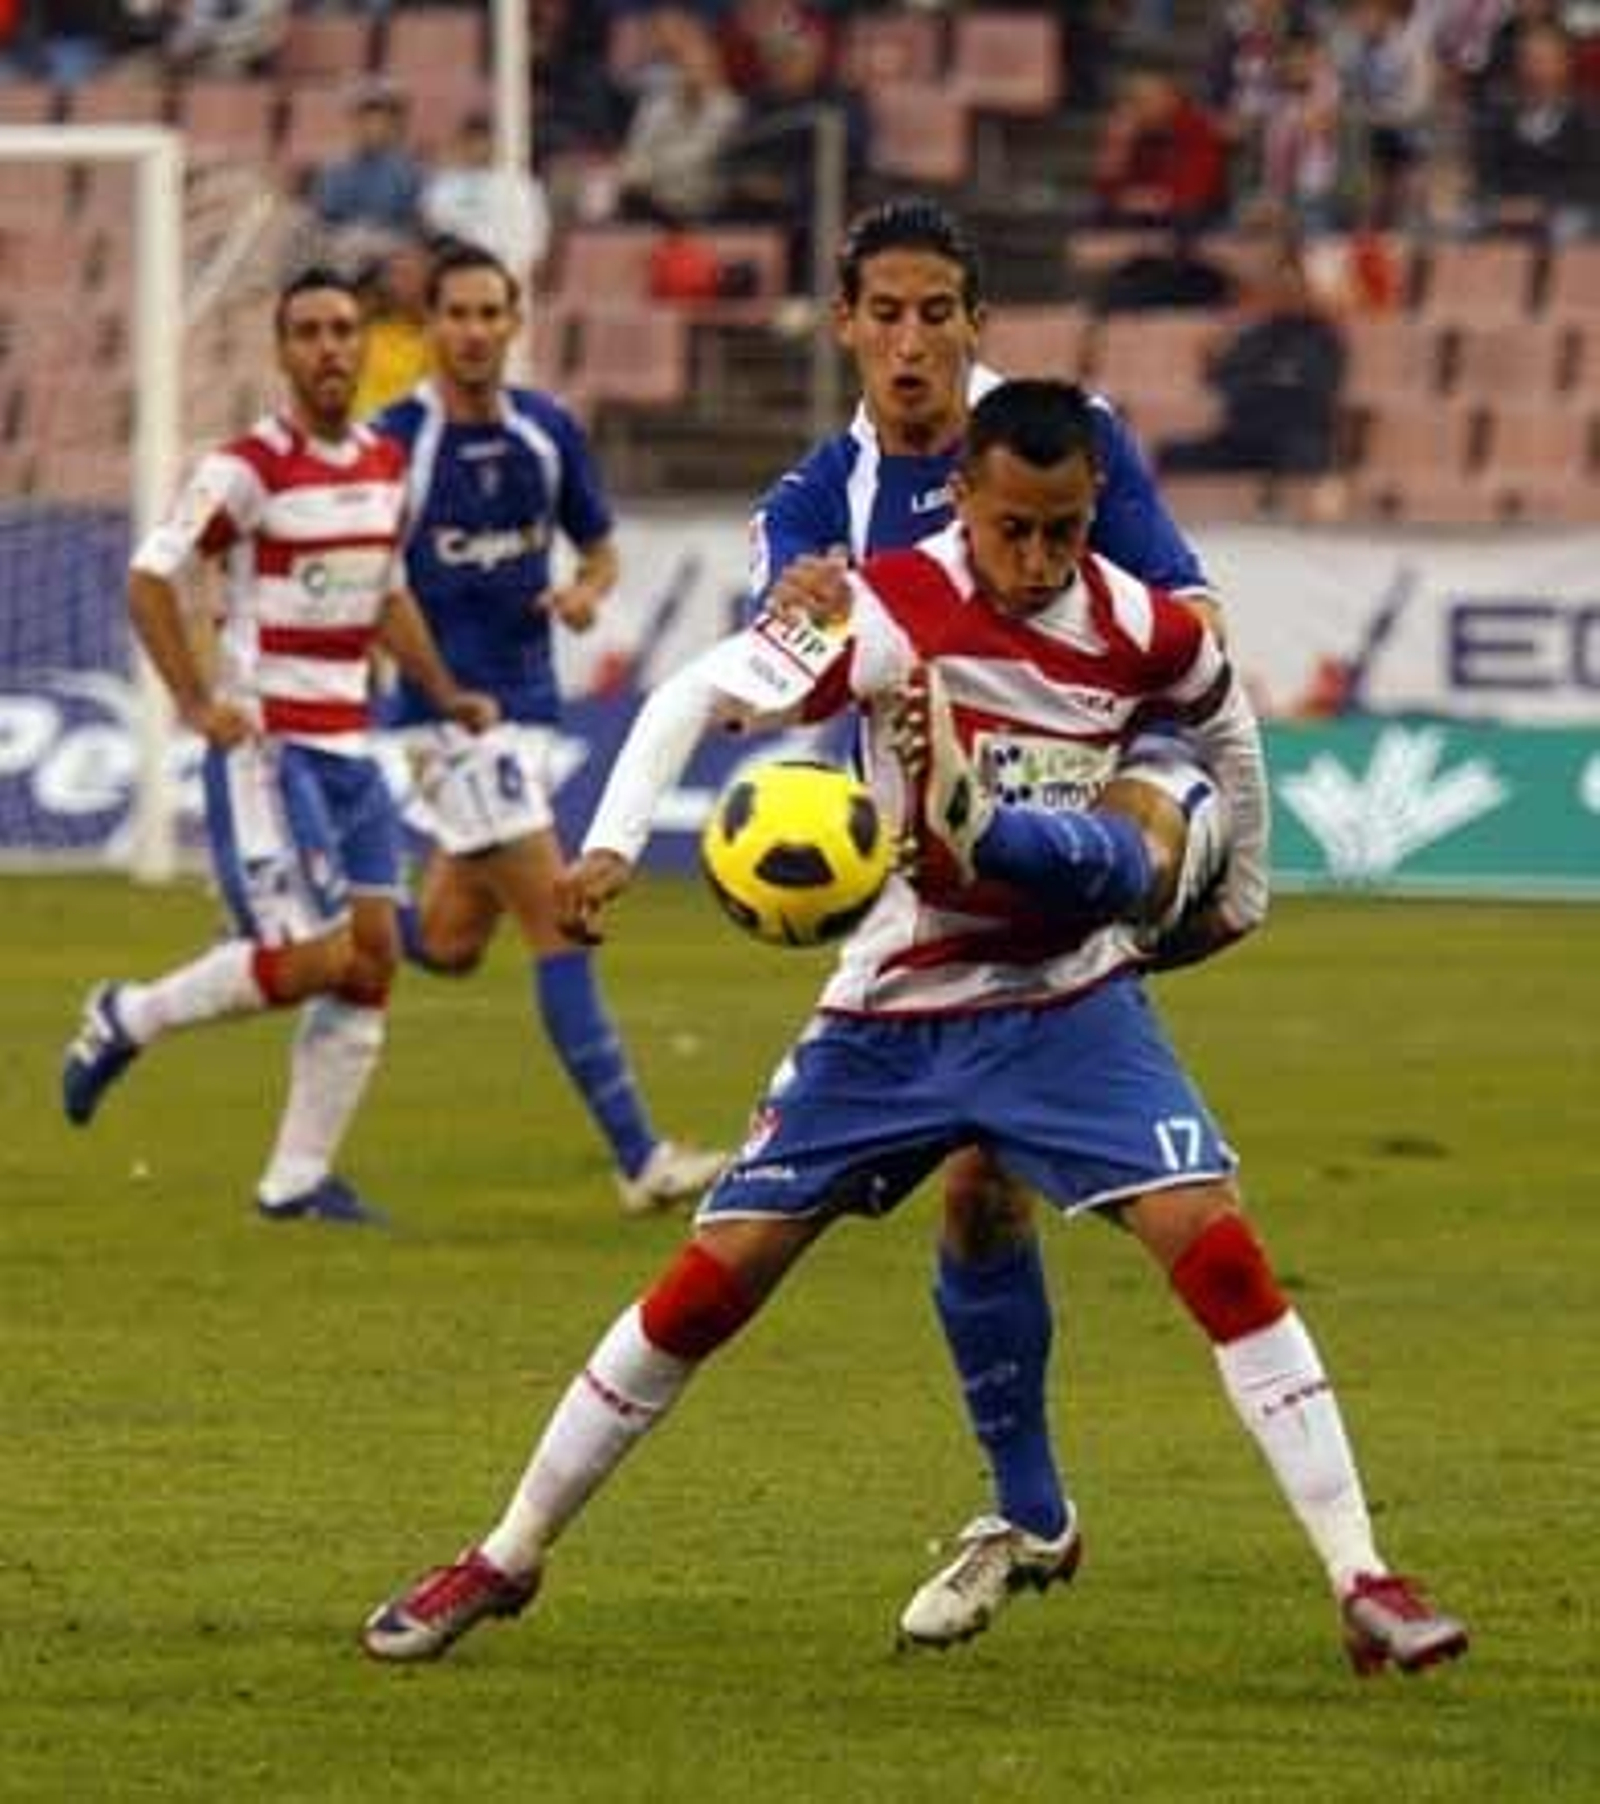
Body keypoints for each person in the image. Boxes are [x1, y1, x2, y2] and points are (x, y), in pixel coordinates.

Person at [361, 380, 1467, 1677]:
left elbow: (1223, 717)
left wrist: (1245, 890)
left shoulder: (1140, 625)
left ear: (1093, 508)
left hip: (1063, 1001)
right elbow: (689, 694)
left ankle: (1362, 1577)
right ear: (963, 501)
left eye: (1065, 531)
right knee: (712, 1281)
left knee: (1215, 1250)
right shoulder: (884, 607)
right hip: (893, 1008)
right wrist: (608, 844)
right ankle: (507, 1552)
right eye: (1014, 530)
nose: (1039, 560)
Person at [746, 197, 1231, 1647]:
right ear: (845, 325)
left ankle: (1039, 1509)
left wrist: (1149, 814)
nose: (911, 342)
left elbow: (1189, 626)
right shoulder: (815, 499)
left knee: (1026, 1183)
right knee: (973, 1191)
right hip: (931, 892)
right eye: (883, 314)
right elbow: (778, 667)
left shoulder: (1068, 440)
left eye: (935, 313)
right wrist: (796, 618)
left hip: (1080, 852)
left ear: (974, 322)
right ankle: (1032, 1511)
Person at [61, 267, 499, 1224]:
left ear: (365, 342)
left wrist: (443, 691)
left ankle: (296, 1179)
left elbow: (387, 593)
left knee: (373, 959)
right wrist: (195, 702)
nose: (330, 347)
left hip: (351, 749)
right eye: (309, 332)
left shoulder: (385, 464)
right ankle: (126, 1016)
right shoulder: (247, 468)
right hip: (270, 745)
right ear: (283, 351)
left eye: (343, 329)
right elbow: (150, 577)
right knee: (311, 958)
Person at [370, 243, 725, 1215]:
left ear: (515, 322)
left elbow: (600, 548)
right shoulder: (397, 442)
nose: (475, 331)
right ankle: (641, 1158)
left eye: (491, 313)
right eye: (457, 314)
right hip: (446, 723)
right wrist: (439, 689)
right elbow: (368, 583)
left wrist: (583, 593)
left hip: (528, 710)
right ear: (430, 325)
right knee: (557, 918)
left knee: (449, 942)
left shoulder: (546, 430)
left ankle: (321, 915)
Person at [1156, 235, 1348, 477]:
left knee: (1302, 455)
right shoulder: (1255, 334)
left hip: (1296, 439)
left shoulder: (1322, 336)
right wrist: (1212, 358)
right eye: (1278, 285)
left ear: (1305, 288)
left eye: (1292, 285)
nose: (1285, 292)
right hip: (1242, 437)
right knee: (1169, 455)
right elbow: (1219, 382)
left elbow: (1316, 388)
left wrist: (1263, 380)